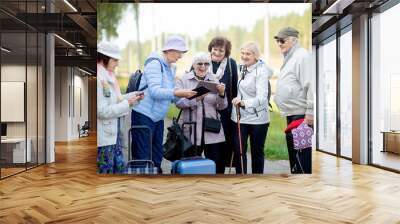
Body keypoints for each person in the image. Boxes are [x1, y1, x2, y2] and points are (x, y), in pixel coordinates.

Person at [131, 35, 196, 174]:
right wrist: (178, 92)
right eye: (179, 52)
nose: (180, 56)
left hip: (158, 118)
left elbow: (171, 96)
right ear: (170, 50)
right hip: (144, 115)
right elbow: (155, 92)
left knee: (157, 155)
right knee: (143, 156)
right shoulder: (155, 63)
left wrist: (192, 98)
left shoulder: (171, 67)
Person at [175, 52, 227, 174]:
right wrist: (196, 98)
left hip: (212, 129)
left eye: (206, 64)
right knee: (192, 167)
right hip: (191, 130)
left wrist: (221, 94)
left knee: (216, 165)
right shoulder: (183, 80)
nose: (203, 66)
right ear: (193, 65)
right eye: (200, 64)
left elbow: (222, 106)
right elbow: (178, 103)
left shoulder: (214, 79)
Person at [97, 41, 144, 174]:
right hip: (105, 140)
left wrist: (134, 96)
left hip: (113, 136)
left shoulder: (108, 76)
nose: (117, 63)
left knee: (118, 169)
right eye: (115, 60)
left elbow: (116, 99)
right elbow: (102, 111)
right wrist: (127, 103)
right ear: (104, 58)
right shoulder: (100, 79)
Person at [273, 27, 314, 174]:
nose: (279, 43)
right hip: (292, 114)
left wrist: (310, 111)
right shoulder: (290, 57)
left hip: (301, 115)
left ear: (294, 40)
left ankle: (304, 185)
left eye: (282, 40)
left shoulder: (301, 56)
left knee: (301, 155)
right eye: (278, 41)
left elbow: (310, 85)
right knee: (295, 154)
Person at [231, 42, 273, 174]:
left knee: (257, 152)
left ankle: (257, 181)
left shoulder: (262, 70)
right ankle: (240, 179)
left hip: (258, 119)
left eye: (248, 53)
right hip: (239, 117)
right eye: (242, 53)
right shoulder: (239, 67)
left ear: (256, 56)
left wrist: (243, 102)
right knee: (239, 151)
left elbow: (262, 98)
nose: (244, 56)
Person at [207, 36, 238, 170]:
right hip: (206, 110)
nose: (217, 53)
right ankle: (208, 171)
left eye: (221, 50)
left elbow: (235, 88)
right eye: (215, 49)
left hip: (225, 111)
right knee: (208, 144)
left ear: (226, 52)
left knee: (222, 145)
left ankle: (220, 174)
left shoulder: (231, 64)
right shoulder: (203, 62)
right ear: (211, 49)